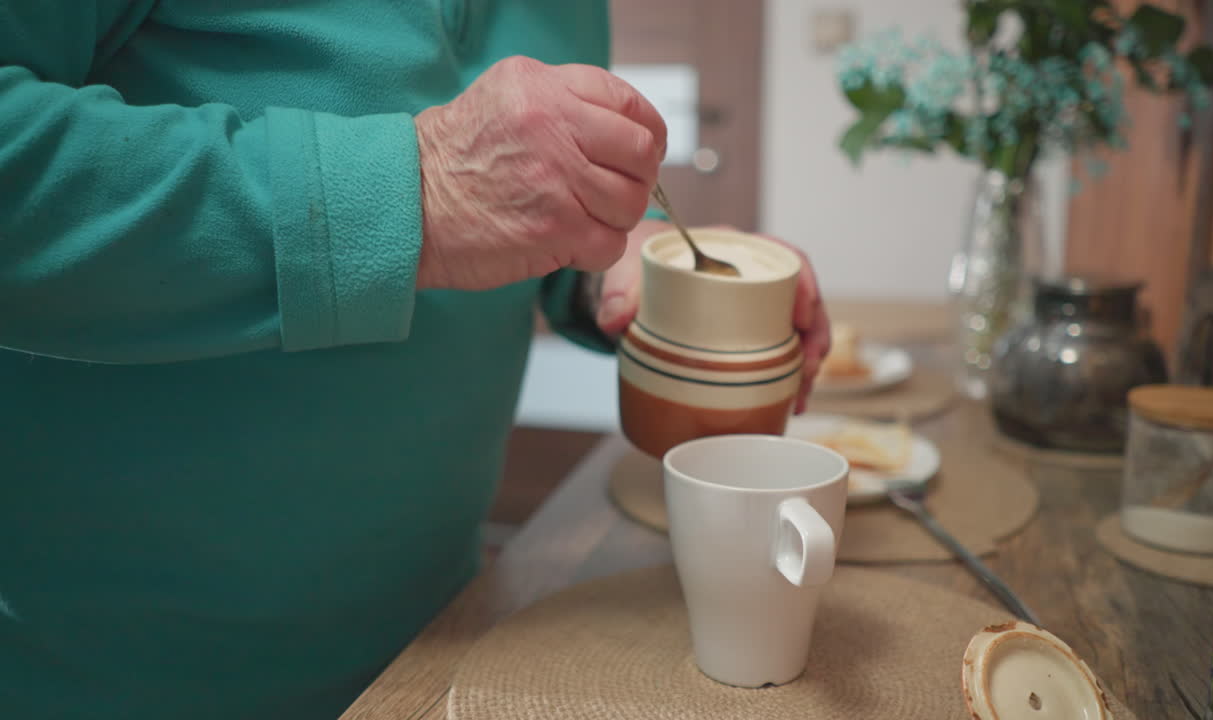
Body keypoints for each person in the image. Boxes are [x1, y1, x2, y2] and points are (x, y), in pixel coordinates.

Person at [0, 2, 831, 718]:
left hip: (447, 640)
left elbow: (496, 225)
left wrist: (608, 261)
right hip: (105, 680)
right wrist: (418, 189)